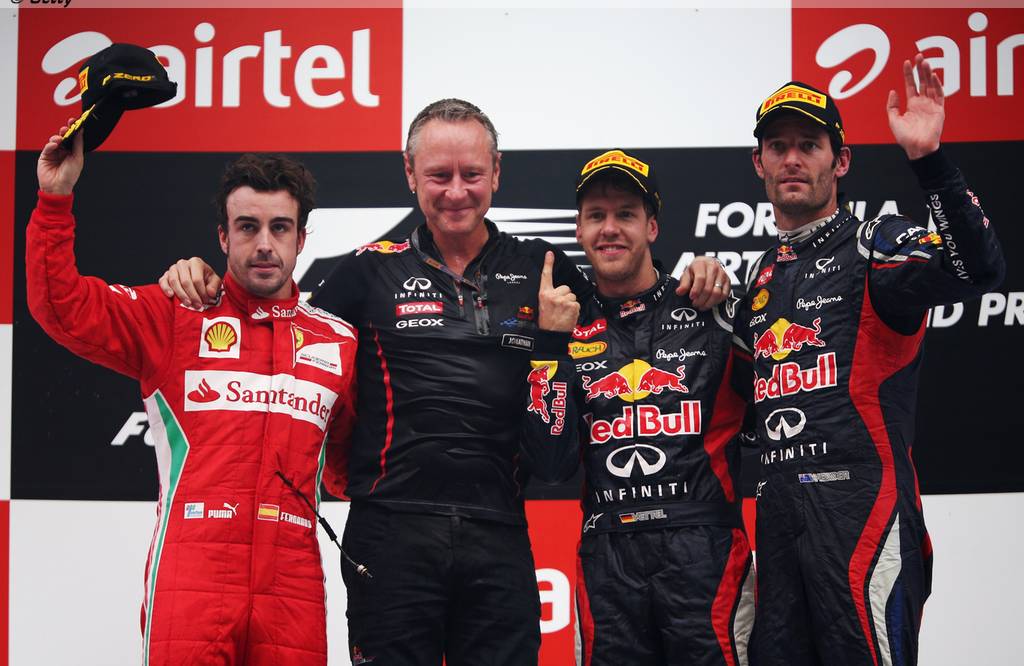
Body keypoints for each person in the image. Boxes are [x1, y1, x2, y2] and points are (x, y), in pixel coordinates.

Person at [158, 99, 728, 665]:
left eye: (471, 174)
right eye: (439, 175)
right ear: (410, 173)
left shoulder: (544, 268)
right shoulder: (366, 270)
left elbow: (629, 314)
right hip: (391, 534)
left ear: (497, 172)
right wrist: (209, 279)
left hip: (499, 531)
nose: (456, 192)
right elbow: (277, 320)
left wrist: (697, 278)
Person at [28, 123, 357, 666]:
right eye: (247, 227)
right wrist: (55, 200)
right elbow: (62, 308)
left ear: (302, 239)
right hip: (193, 577)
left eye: (280, 227)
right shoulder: (176, 314)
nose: (264, 244)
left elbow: (354, 469)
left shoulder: (338, 343)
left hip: (292, 583)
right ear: (223, 237)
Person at [731, 55, 1004, 665]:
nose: (792, 159)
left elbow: (980, 268)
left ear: (841, 161)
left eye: (809, 145)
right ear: (759, 163)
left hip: (862, 511)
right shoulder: (761, 276)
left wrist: (929, 160)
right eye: (778, 147)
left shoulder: (875, 243)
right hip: (778, 518)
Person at [522, 149, 752, 666]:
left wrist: (717, 276)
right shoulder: (565, 329)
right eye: (596, 216)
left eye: (625, 214)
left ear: (651, 226)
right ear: (579, 230)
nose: (610, 229)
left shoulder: (708, 307)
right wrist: (550, 348)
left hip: (705, 549)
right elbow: (550, 464)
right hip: (608, 557)